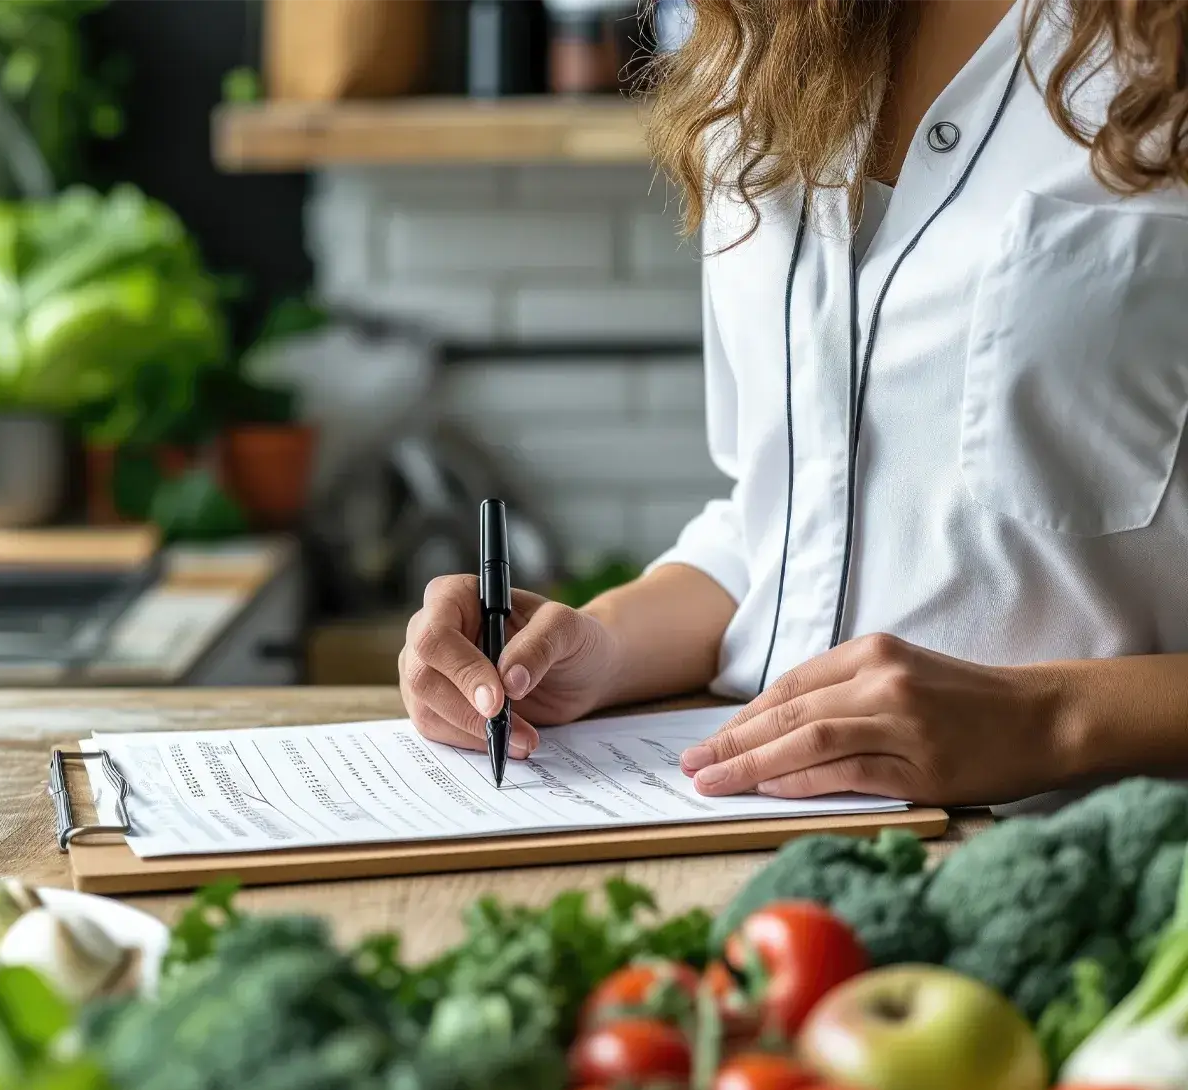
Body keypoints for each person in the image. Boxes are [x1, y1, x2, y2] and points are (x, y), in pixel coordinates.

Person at [401, 0, 1188, 812]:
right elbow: (781, 524)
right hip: (744, 843)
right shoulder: (755, 44)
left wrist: (1048, 722)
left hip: (1103, 860)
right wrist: (595, 647)